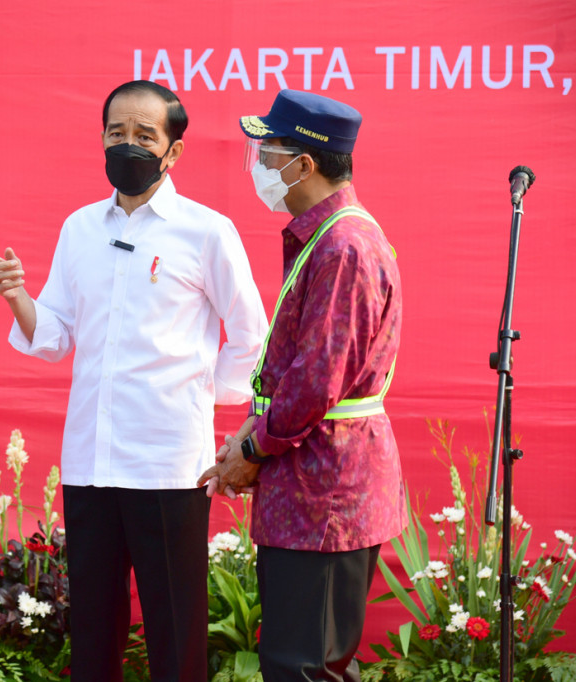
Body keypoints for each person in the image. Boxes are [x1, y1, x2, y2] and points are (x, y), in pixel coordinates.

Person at [0, 80, 267, 682]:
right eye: (115, 133)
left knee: (174, 628)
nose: (127, 145)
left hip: (167, 465)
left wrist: (209, 399)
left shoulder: (207, 231)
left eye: (144, 135)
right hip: (91, 464)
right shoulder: (80, 227)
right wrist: (17, 295)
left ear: (173, 151)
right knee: (93, 631)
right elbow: (53, 334)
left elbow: (252, 334)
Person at [198, 89, 404, 682]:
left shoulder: (343, 247)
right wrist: (249, 437)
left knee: (304, 666)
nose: (259, 166)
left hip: (326, 494)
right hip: (314, 483)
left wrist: (253, 451)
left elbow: (316, 380)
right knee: (309, 660)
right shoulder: (331, 236)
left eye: (267, 152)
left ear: (304, 164)